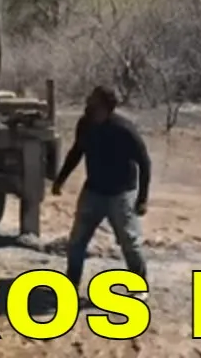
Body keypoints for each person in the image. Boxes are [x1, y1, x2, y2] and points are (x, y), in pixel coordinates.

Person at [51, 85, 151, 295]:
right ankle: (71, 284)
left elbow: (144, 162)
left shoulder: (124, 130)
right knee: (77, 240)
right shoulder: (85, 124)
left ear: (106, 107)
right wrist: (60, 180)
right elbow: (76, 152)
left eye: (94, 102)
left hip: (121, 194)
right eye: (90, 99)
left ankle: (139, 286)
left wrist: (142, 199)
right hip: (93, 191)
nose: (88, 104)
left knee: (129, 241)